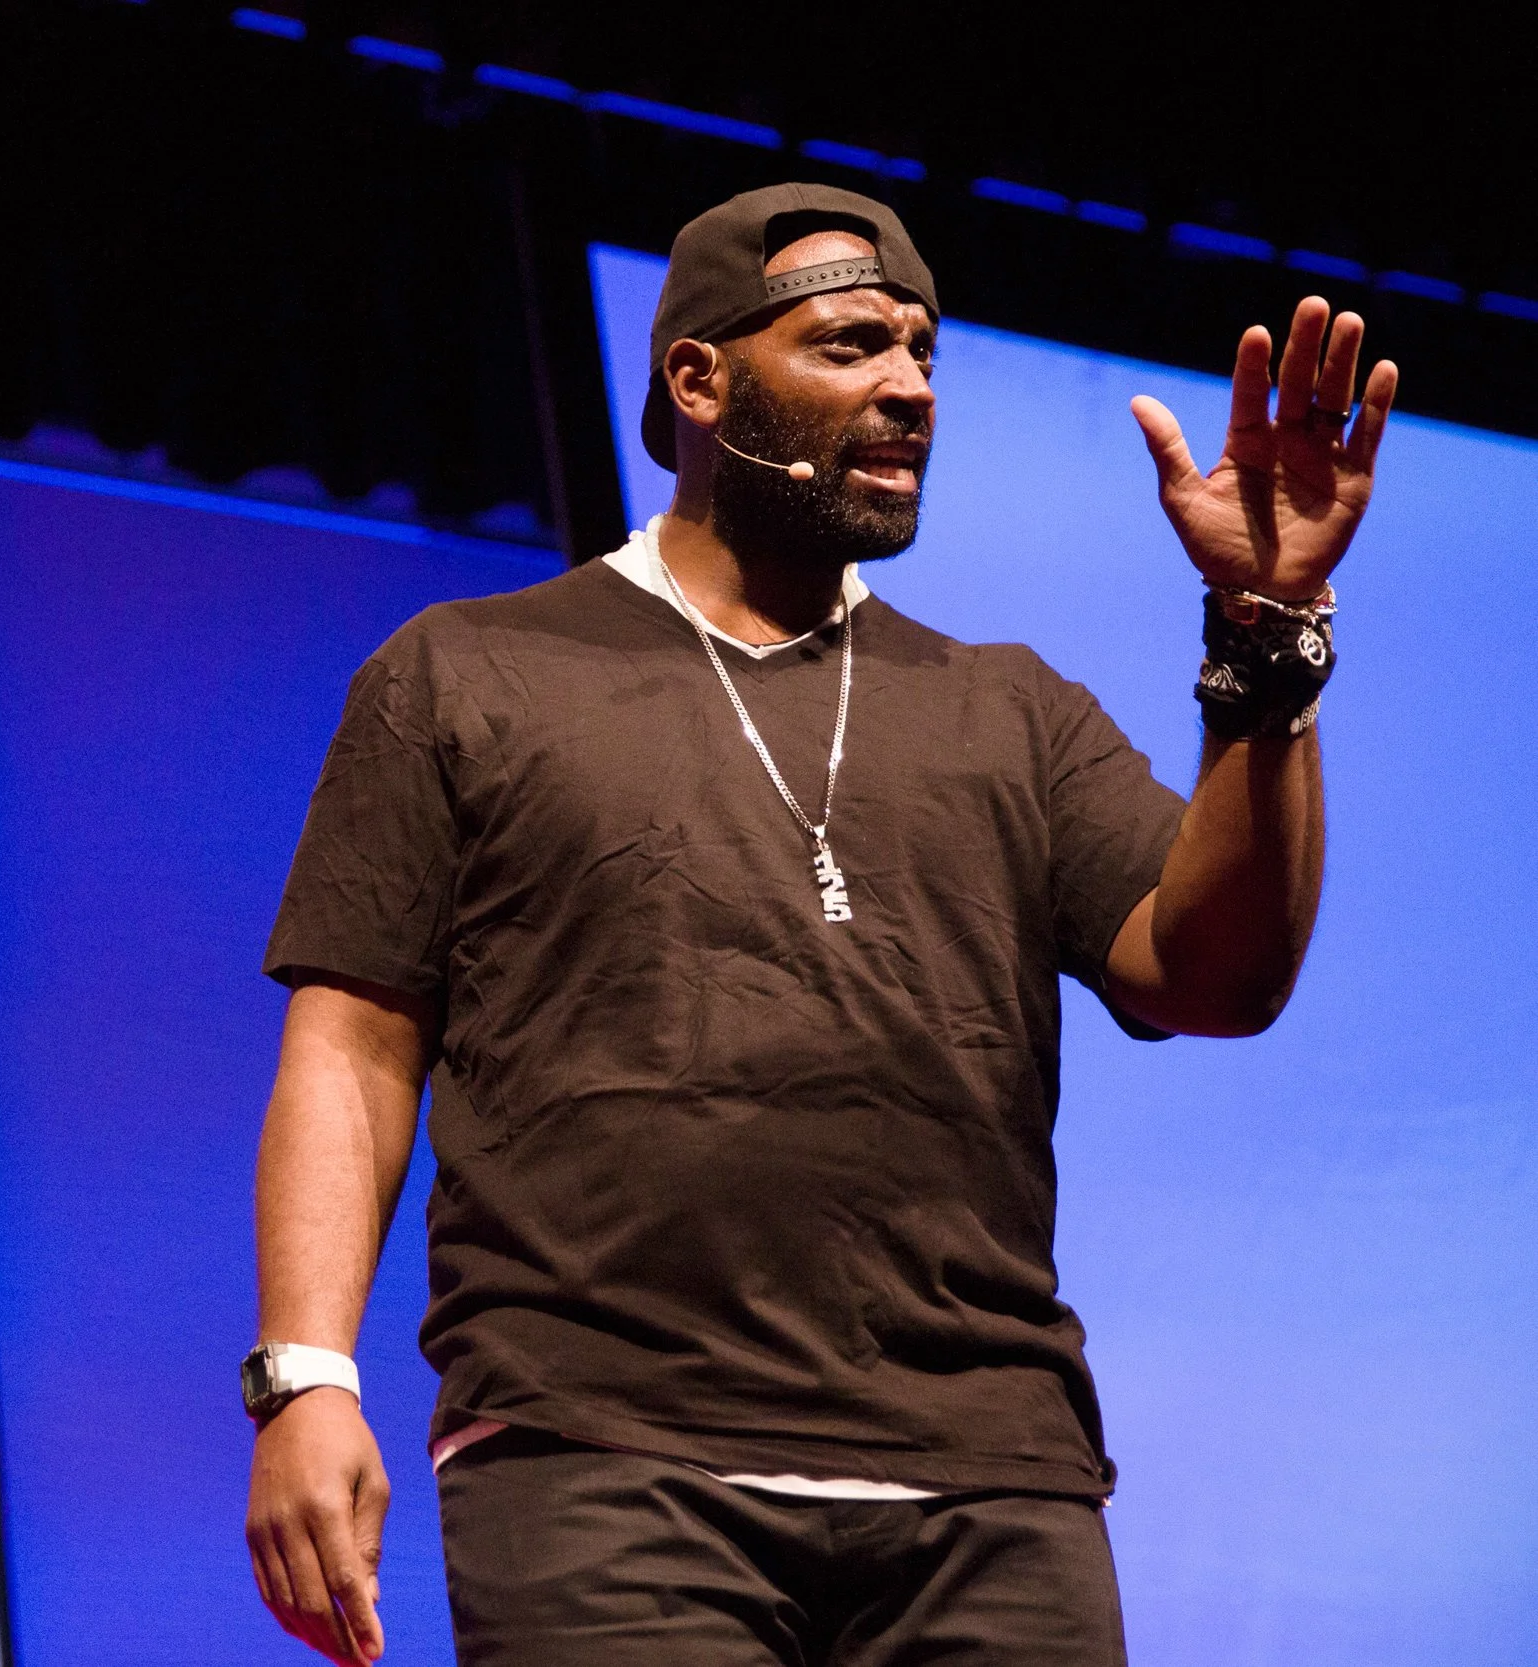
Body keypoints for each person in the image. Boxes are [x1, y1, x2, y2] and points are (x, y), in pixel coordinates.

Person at [239, 182, 1396, 1666]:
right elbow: (352, 1052)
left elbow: (1217, 975)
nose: (909, 386)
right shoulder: (468, 675)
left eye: (922, 351)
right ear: (700, 381)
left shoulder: (1009, 707)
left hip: (991, 1487)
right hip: (607, 1468)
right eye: (852, 344)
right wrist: (306, 1375)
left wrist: (1266, 636)